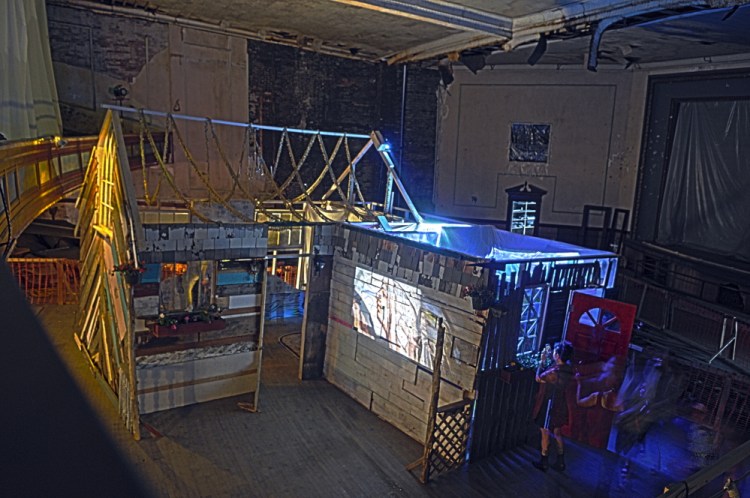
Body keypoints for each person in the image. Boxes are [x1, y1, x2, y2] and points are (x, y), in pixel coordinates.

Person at [532, 341, 575, 472]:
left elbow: (539, 378)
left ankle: (543, 460)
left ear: (557, 355)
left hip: (550, 404)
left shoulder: (555, 372)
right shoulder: (568, 370)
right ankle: (561, 461)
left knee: (545, 431)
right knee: (556, 431)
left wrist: (542, 361)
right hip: (560, 403)